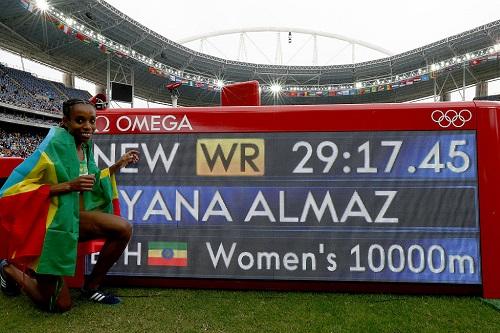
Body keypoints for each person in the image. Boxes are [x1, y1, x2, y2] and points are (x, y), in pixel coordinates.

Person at [0, 98, 139, 312]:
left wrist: (117, 165)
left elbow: (90, 178)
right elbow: (12, 190)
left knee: (123, 228)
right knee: (60, 305)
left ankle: (91, 287)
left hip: (68, 218)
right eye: (80, 120)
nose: (88, 126)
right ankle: (8, 269)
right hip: (46, 227)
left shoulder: (85, 145)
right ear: (65, 121)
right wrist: (67, 186)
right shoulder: (53, 144)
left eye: (92, 121)